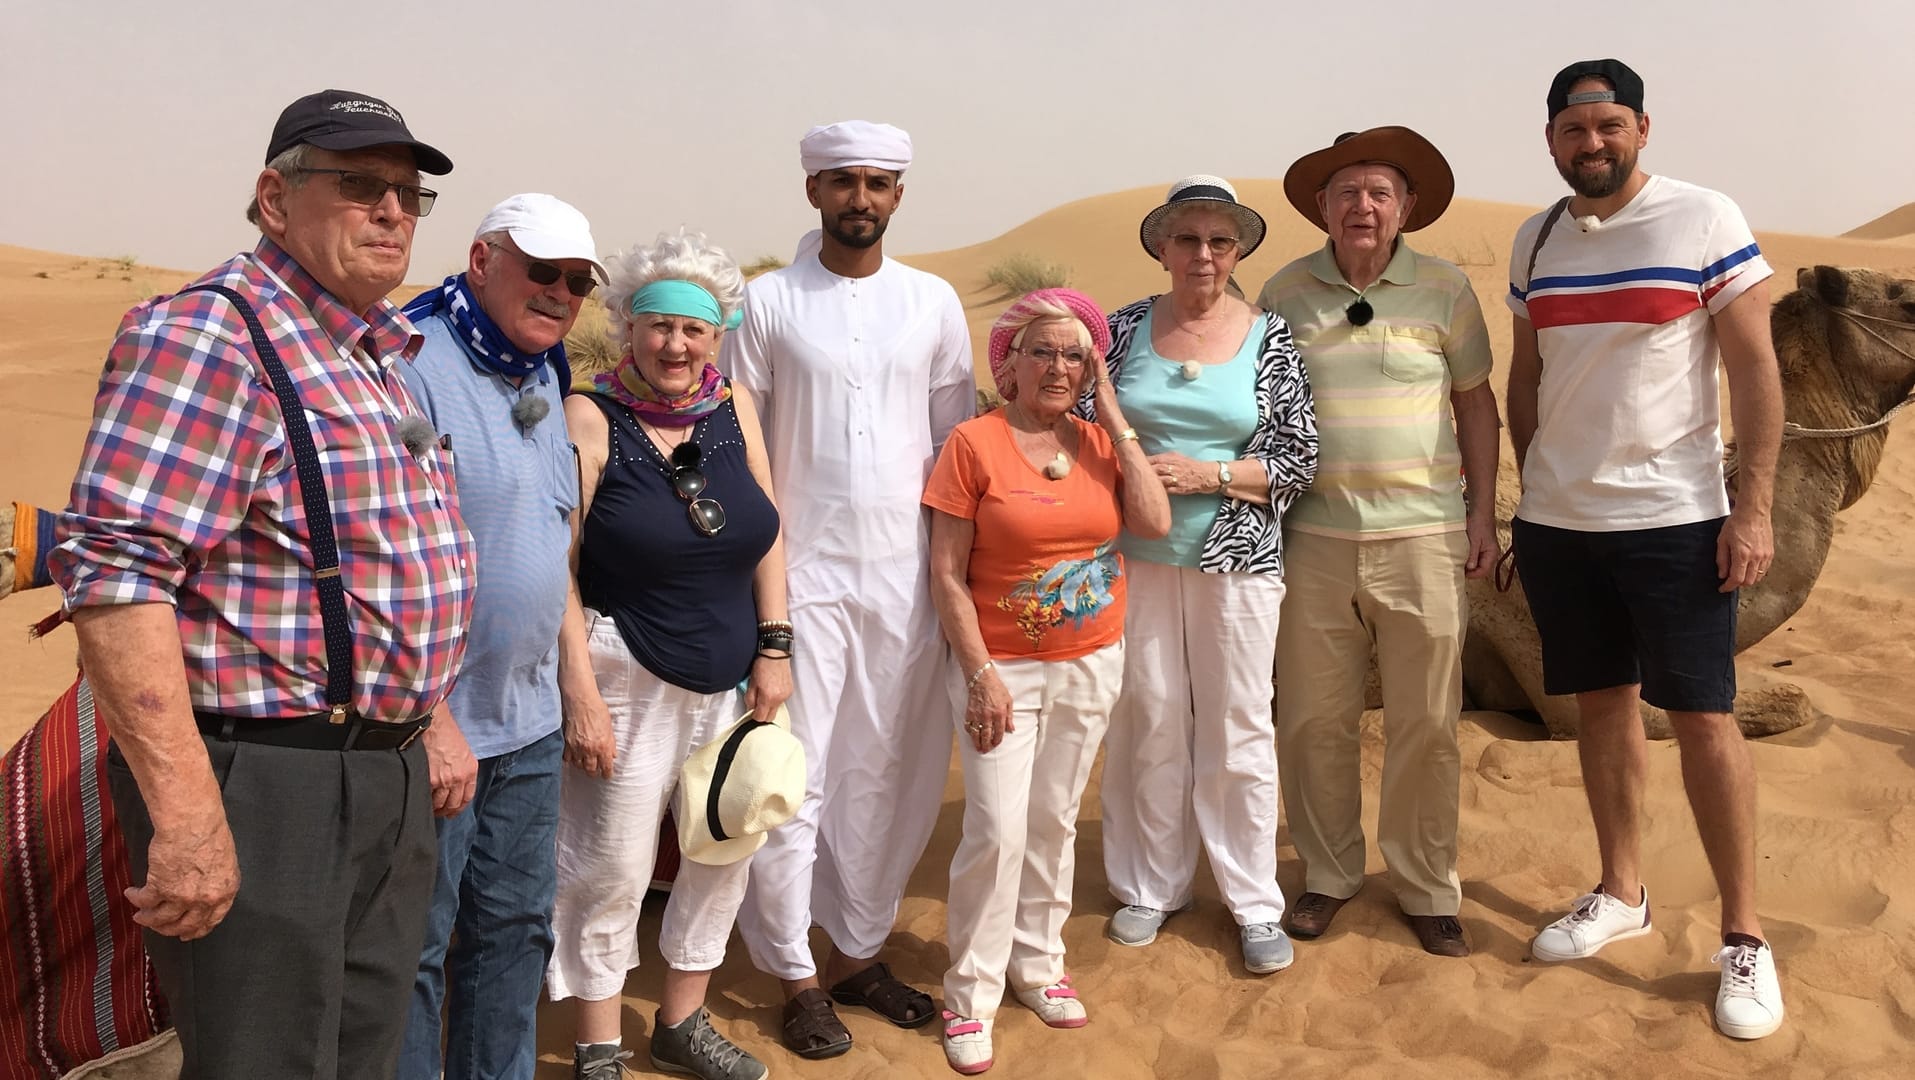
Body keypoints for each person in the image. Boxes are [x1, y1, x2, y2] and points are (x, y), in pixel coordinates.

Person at [49, 89, 469, 1078]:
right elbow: (116, 575)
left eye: (410, 195)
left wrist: (429, 717)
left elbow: (390, 564)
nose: (392, 212)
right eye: (359, 185)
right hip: (268, 783)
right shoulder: (212, 337)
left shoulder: (374, 357)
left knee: (360, 1056)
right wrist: (190, 811)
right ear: (274, 200)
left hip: (386, 774)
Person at [1506, 59, 1787, 1039]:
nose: (1592, 143)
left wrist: (1750, 511)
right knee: (1598, 706)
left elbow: (1754, 370)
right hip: (1559, 526)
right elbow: (1526, 378)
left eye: (1609, 125)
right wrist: (1529, 488)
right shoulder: (1534, 237)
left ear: (1641, 128)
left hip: (1674, 519)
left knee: (1704, 720)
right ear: (1551, 139)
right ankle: (1620, 891)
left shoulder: (1702, 219)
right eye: (1574, 130)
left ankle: (1744, 939)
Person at [721, 120, 975, 1058]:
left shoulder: (934, 301)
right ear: (813, 193)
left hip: (908, 579)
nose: (858, 199)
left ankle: (859, 951)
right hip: (803, 579)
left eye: (875, 183)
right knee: (797, 777)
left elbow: (958, 446)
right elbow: (742, 449)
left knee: (891, 772)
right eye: (841, 183)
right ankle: (793, 972)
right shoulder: (766, 303)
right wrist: (762, 596)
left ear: (898, 195)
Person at [547, 227, 791, 1080]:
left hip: (731, 676)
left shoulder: (735, 409)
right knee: (607, 865)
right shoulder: (589, 416)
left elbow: (765, 533)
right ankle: (597, 1044)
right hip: (624, 669)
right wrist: (578, 691)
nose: (675, 345)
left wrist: (776, 646)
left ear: (716, 334)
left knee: (722, 848)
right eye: (657, 326)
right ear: (626, 327)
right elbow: (559, 570)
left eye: (693, 329)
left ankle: (682, 1021)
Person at [1257, 128, 1501, 957]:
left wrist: (1481, 516)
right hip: (1310, 541)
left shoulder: (1445, 289)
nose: (1362, 206)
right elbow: (1259, 408)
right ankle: (1326, 876)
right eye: (1346, 193)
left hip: (1425, 537)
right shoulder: (1284, 292)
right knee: (1311, 720)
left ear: (1406, 208)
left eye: (1379, 193)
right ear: (1321, 208)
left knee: (1425, 723)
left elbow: (1475, 404)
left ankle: (1426, 885)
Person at [926, 290, 1171, 1074]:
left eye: (1075, 355)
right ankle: (969, 993)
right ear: (1012, 363)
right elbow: (944, 573)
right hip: (1001, 672)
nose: (1058, 367)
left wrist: (1113, 414)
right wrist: (980, 675)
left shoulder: (1099, 443)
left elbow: (1154, 522)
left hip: (1092, 660)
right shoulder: (974, 443)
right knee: (995, 828)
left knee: (1054, 820)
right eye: (1042, 352)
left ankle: (1036, 964)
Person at [1086, 176, 1319, 974]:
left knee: (1237, 725)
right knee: (1147, 716)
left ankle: (1253, 903)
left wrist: (1210, 476)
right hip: (1131, 558)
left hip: (1238, 559)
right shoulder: (1116, 331)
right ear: (1160, 246)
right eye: (1186, 239)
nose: (1203, 255)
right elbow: (1083, 432)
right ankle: (1149, 885)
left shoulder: (1270, 337)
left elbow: (1299, 456)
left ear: (1238, 251)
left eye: (1219, 241)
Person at [394, 193, 602, 1080]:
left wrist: (577, 691)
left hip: (526, 725)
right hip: (432, 736)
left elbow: (550, 544)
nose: (558, 294)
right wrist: (431, 718)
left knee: (515, 937)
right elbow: (384, 560)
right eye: (539, 271)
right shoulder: (406, 361)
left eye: (576, 282)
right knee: (412, 952)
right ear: (481, 261)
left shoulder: (543, 375)